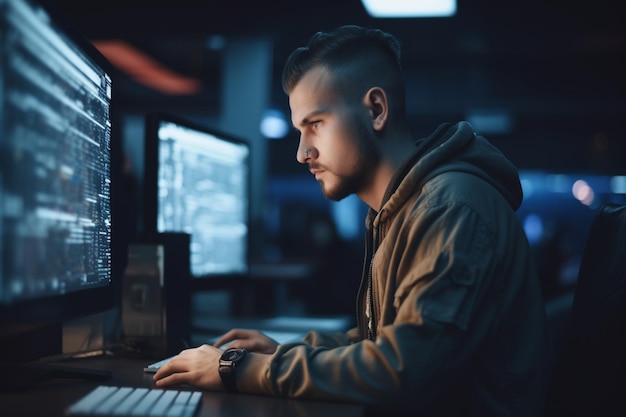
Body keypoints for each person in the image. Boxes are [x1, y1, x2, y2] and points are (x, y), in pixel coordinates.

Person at [153, 24, 552, 417]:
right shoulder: (401, 209)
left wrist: (238, 367)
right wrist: (280, 353)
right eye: (299, 130)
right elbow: (381, 342)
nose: (301, 152)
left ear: (375, 110)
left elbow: (401, 372)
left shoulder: (448, 209)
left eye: (316, 124)